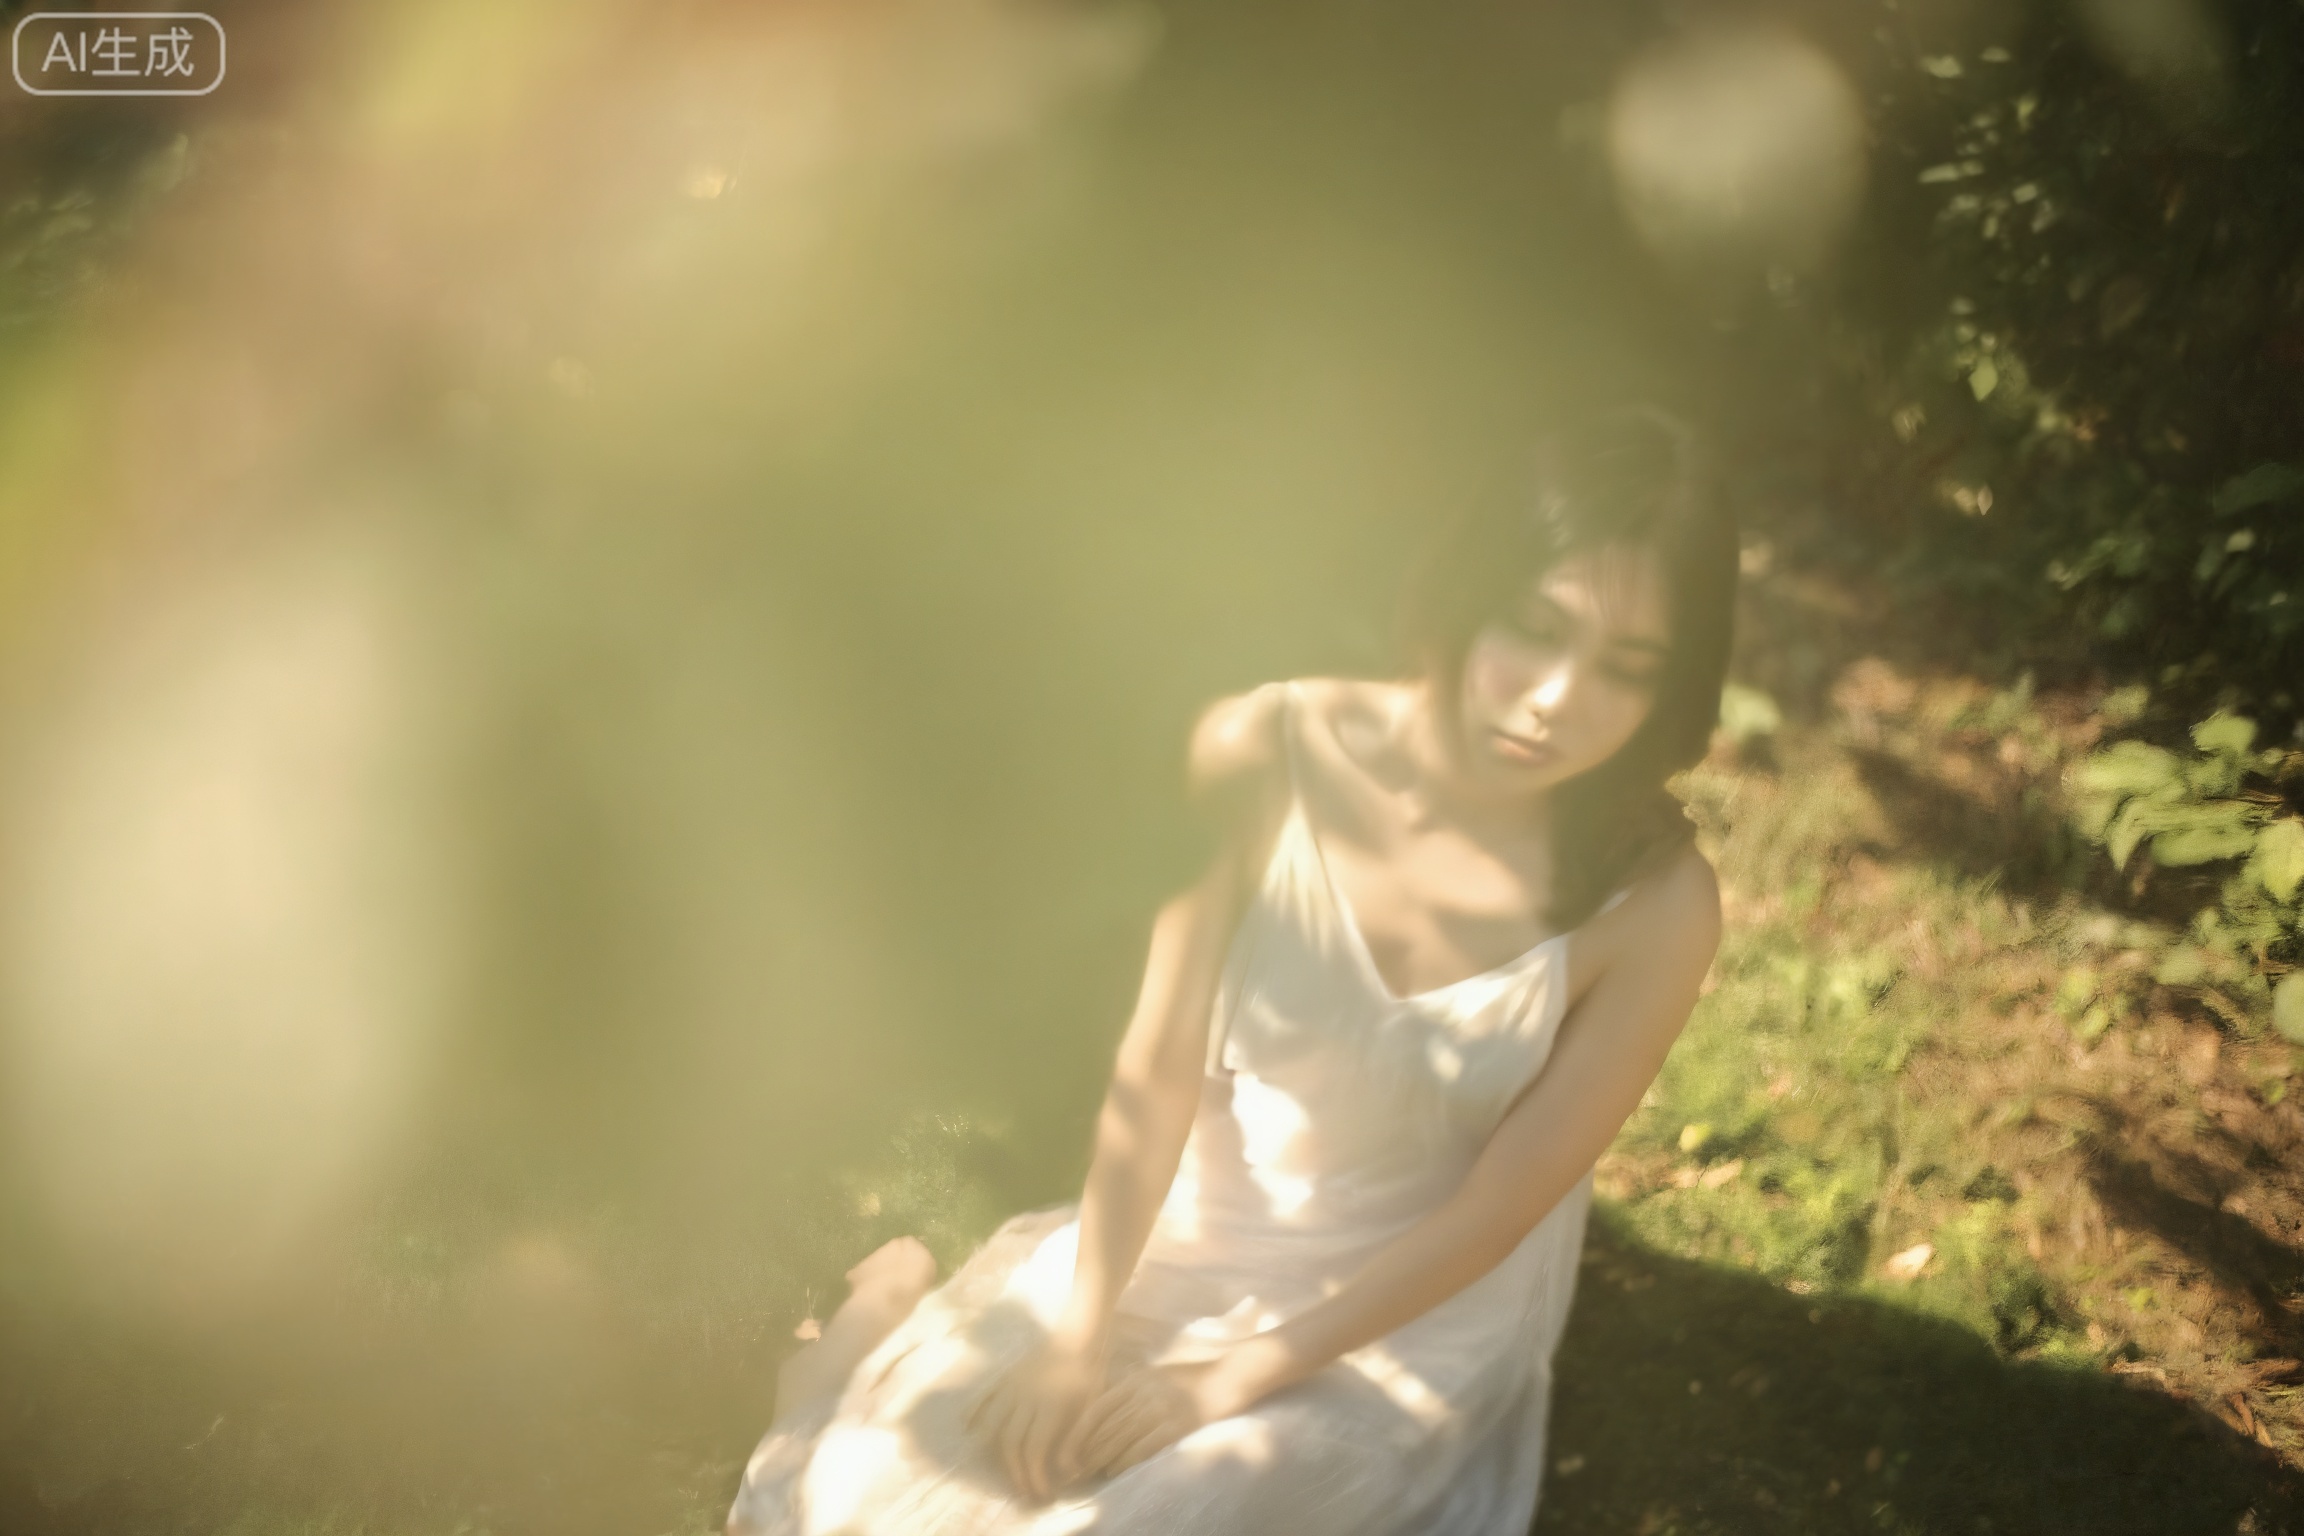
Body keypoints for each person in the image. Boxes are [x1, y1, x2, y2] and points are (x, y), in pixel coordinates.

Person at [726, 407, 1736, 1535]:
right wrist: (1083, 1333)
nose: (1554, 697)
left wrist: (1225, 1381)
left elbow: (1498, 1212)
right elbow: (1158, 1062)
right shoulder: (1265, 750)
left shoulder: (1656, 907)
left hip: (1406, 1305)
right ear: (1468, 593)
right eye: (1532, 626)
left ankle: (852, 1388)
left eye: (1625, 667)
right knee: (893, 1494)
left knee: (1147, 1516)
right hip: (1202, 1213)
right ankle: (833, 1379)